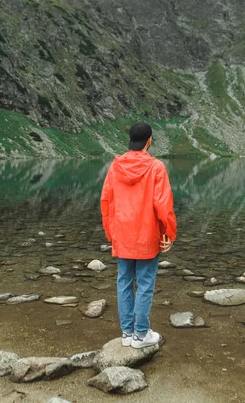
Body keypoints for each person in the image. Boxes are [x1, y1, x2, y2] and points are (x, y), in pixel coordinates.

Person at [100, 121, 177, 348]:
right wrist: (169, 234)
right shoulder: (156, 167)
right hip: (147, 236)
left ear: (130, 140)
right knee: (144, 284)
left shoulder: (115, 167)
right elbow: (164, 206)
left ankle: (126, 333)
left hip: (122, 235)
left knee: (124, 281)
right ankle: (141, 335)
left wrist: (110, 233)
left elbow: (106, 202)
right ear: (149, 141)